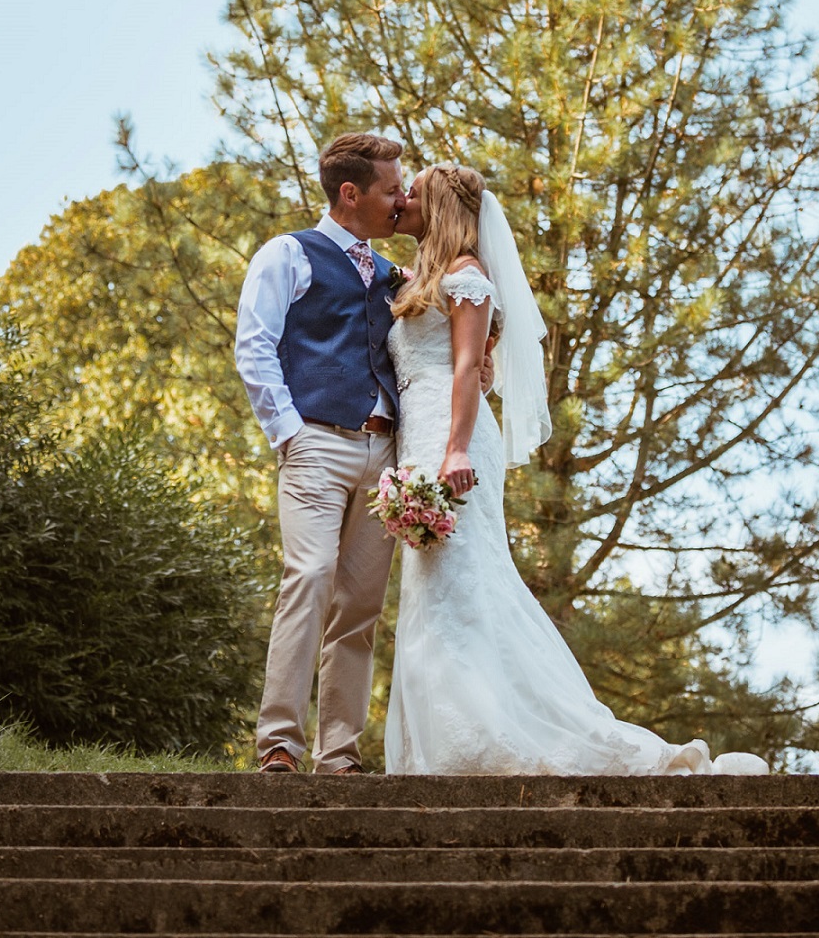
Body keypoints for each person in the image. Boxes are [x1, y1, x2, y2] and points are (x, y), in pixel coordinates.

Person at [384, 163, 770, 776]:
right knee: (441, 586)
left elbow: (464, 370)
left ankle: (487, 734)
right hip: (421, 434)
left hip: (450, 439)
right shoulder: (423, 281)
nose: (404, 199)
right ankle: (457, 732)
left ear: (443, 207)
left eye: (415, 192)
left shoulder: (467, 277)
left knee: (457, 580)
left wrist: (454, 449)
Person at [234, 133, 408, 774]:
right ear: (350, 192)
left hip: (385, 453)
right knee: (307, 580)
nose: (401, 198)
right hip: (316, 444)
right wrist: (289, 434)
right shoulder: (287, 254)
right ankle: (279, 742)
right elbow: (254, 347)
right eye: (392, 188)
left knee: (360, 606)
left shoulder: (393, 273)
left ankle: (339, 753)